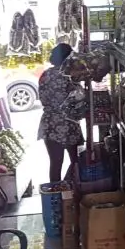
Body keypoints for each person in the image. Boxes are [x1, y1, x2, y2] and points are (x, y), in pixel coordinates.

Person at [38, 43, 85, 184]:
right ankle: (72, 188)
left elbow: (43, 98)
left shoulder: (45, 75)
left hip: (50, 123)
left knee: (55, 163)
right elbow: (79, 99)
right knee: (76, 161)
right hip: (69, 122)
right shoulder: (70, 75)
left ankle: (56, 192)